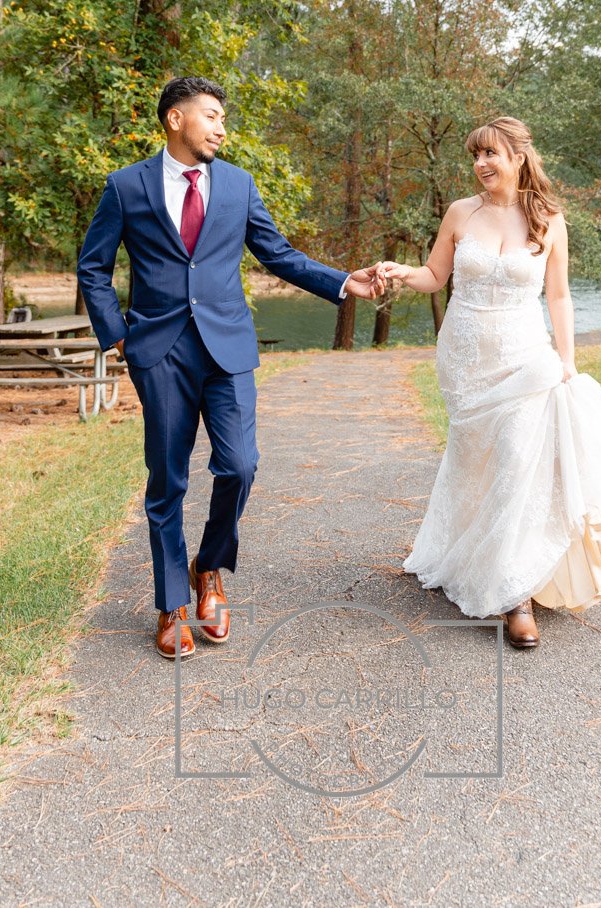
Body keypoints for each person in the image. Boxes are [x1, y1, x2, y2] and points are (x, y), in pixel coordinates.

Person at [77, 76, 383, 661]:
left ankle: (209, 568)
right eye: (211, 116)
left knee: (240, 466)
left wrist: (344, 281)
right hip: (159, 352)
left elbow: (279, 254)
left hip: (228, 351)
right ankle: (170, 605)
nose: (221, 128)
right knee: (167, 481)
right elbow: (93, 267)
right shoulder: (125, 187)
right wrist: (118, 338)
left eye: (223, 119)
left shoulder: (240, 186)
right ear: (175, 119)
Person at [377, 116, 601, 650]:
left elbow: (559, 296)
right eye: (475, 156)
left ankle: (514, 592)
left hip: (525, 355)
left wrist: (566, 359)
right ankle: (466, 552)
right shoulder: (459, 213)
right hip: (465, 357)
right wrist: (402, 272)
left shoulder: (549, 219)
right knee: (478, 460)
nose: (481, 165)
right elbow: (435, 277)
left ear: (519, 157)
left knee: (519, 458)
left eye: (491, 154)